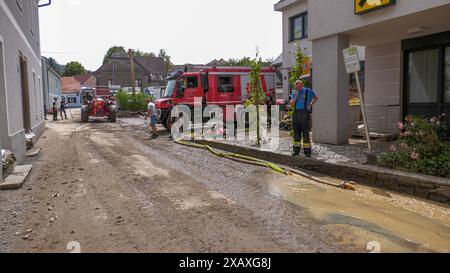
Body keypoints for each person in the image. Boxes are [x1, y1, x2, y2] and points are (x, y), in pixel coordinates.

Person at [290, 80, 318, 157]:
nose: (297, 88)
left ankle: (307, 152)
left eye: (298, 86)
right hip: (296, 114)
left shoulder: (308, 91)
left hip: (304, 114)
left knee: (305, 133)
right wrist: (296, 96)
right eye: (296, 86)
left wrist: (310, 104)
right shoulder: (294, 92)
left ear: (302, 85)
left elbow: (315, 98)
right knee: (296, 133)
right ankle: (296, 151)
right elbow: (292, 104)